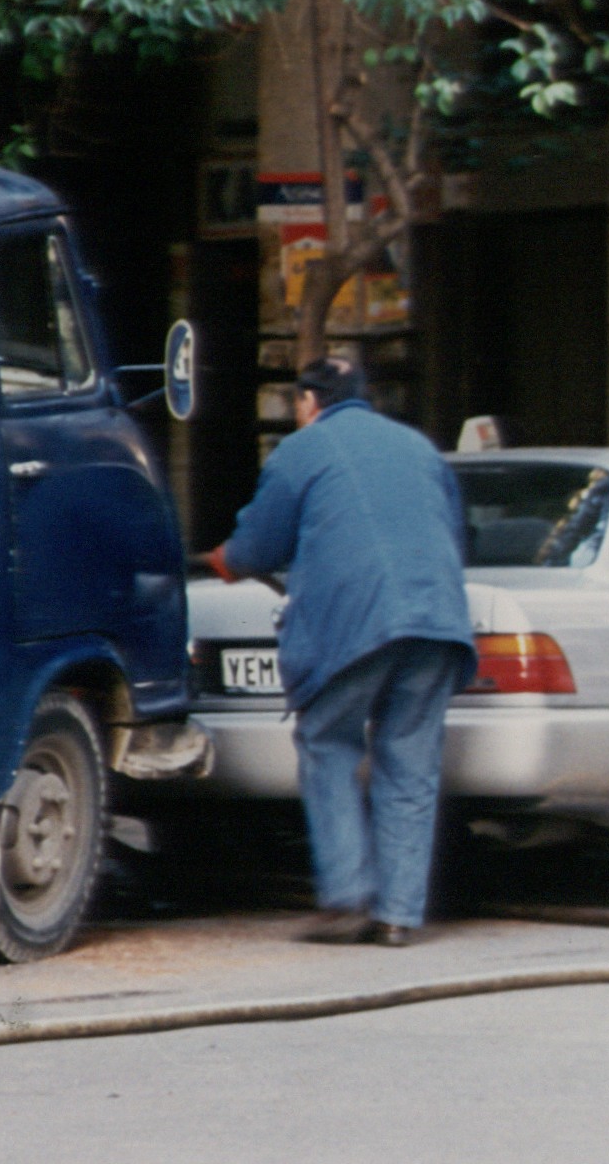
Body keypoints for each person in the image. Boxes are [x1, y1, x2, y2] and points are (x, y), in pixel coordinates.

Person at [202, 355, 475, 945]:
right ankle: (399, 913)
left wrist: (223, 558)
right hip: (436, 621)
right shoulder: (420, 449)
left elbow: (254, 548)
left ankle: (348, 895)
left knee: (327, 743)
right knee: (411, 763)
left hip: (359, 624)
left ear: (308, 403)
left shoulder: (303, 450)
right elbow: (453, 535)